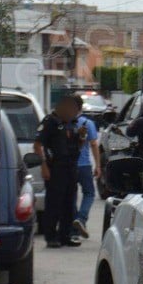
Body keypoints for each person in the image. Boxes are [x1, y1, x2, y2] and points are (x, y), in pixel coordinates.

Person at [34, 96, 87, 248]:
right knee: (54, 204)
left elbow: (78, 145)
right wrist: (43, 166)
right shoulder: (50, 122)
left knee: (69, 204)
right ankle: (51, 237)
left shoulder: (73, 124)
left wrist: (82, 135)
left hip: (71, 167)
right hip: (55, 168)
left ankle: (65, 235)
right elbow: (38, 145)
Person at [72, 98, 101, 239]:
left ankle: (73, 228)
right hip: (84, 165)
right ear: (81, 108)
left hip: (69, 166)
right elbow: (94, 144)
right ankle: (81, 219)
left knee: (70, 195)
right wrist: (98, 165)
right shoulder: (87, 123)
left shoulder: (65, 123)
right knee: (89, 193)